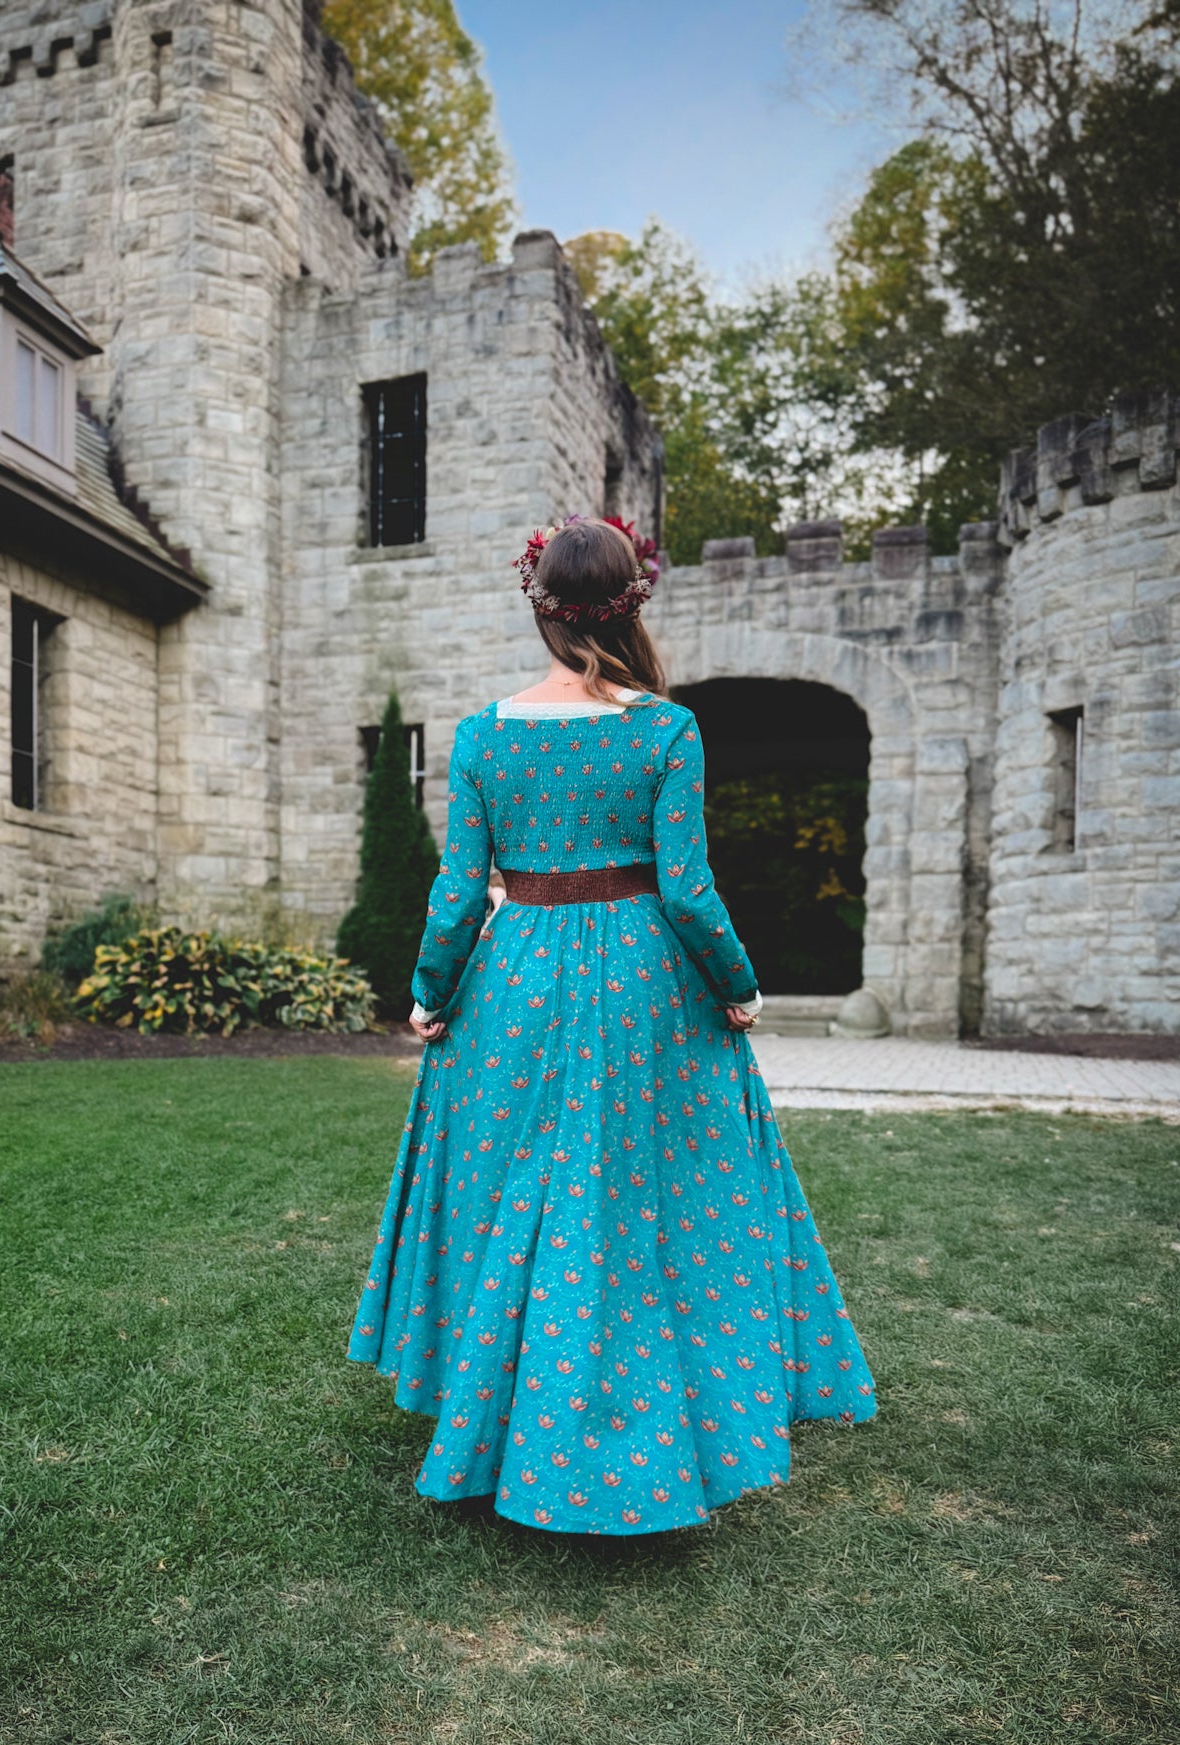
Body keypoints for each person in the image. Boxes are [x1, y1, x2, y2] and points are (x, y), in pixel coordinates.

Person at [349, 515, 875, 1534]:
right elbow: (686, 886)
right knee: (647, 1194)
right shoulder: (666, 730)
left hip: (513, 978)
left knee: (515, 1189)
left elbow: (458, 892)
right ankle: (657, 1407)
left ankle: (507, 1417)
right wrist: (737, 984)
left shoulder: (485, 734)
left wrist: (428, 993)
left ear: (540, 605)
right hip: (645, 983)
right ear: (631, 604)